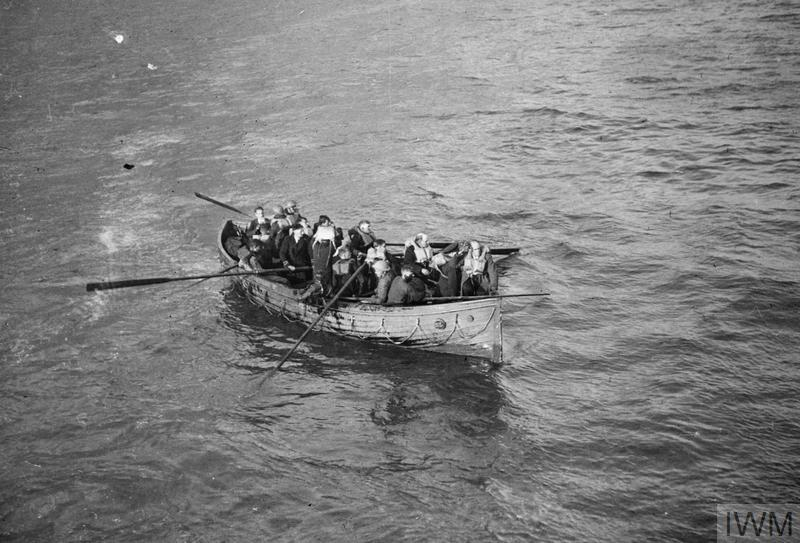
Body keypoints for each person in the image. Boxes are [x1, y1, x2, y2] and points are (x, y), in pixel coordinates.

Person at [303, 224, 337, 299]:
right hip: (325, 270)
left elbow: (313, 241)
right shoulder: (330, 246)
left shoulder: (315, 244)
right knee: (325, 285)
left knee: (318, 284)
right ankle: (326, 295)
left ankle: (317, 295)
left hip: (317, 269)